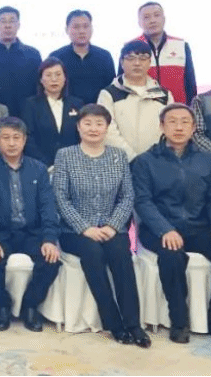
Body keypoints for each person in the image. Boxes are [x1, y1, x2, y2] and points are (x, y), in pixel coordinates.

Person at [132, 103, 211, 345]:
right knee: (172, 255)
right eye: (172, 122)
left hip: (198, 227)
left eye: (185, 122)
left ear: (193, 128)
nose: (179, 127)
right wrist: (165, 229)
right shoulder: (144, 161)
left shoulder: (207, 160)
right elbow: (142, 201)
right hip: (158, 228)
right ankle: (179, 321)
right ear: (162, 126)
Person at [52, 103, 150, 348]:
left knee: (121, 255)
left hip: (111, 227)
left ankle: (134, 324)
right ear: (78, 127)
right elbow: (60, 198)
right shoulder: (65, 155)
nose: (93, 128)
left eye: (99, 124)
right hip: (74, 231)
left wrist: (113, 225)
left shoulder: (118, 156)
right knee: (93, 253)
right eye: (87, 123)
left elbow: (127, 196)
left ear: (107, 128)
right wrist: (84, 228)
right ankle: (114, 323)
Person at [0, 117, 61, 333]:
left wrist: (49, 239)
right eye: (6, 138)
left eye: (16, 138)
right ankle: (2, 306)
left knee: (51, 260)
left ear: (24, 140)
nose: (11, 143)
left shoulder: (38, 169)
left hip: (32, 232)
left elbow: (48, 207)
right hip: (0, 232)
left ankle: (30, 306)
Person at [98, 40, 171, 160]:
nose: (137, 63)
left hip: (157, 161)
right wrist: (133, 158)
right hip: (119, 161)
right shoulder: (109, 94)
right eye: (130, 58)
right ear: (122, 62)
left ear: (150, 62)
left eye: (143, 58)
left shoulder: (164, 95)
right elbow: (108, 130)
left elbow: (169, 128)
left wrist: (154, 159)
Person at [0, 6, 43, 118]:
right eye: (3, 21)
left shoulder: (32, 54)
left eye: (12, 21)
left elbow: (39, 88)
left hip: (25, 115)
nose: (8, 25)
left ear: (18, 25)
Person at [21, 57, 84, 168]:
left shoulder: (77, 104)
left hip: (74, 164)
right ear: (41, 80)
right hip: (41, 166)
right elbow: (28, 138)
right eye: (48, 75)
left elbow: (82, 136)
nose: (54, 79)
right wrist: (46, 165)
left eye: (58, 74)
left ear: (65, 78)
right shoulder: (31, 104)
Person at [48, 10, 117, 105]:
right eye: (76, 27)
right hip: (64, 110)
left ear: (92, 29)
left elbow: (111, 88)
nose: (82, 31)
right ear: (67, 30)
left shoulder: (104, 56)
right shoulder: (56, 57)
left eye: (86, 26)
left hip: (98, 111)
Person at [135, 2, 197, 104]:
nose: (152, 20)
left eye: (156, 15)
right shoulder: (131, 48)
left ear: (164, 19)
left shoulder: (180, 45)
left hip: (176, 109)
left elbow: (190, 83)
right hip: (142, 109)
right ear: (139, 23)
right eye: (146, 17)